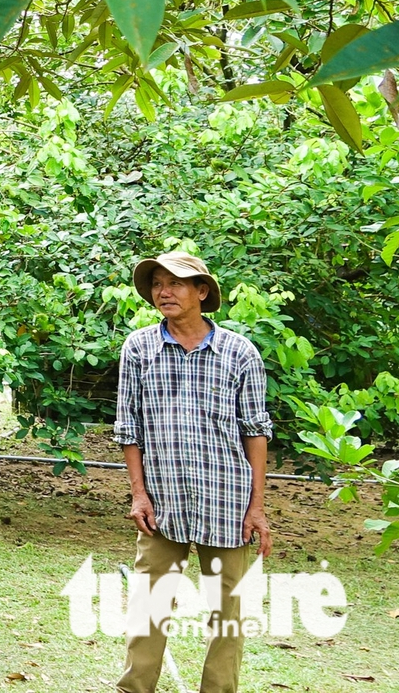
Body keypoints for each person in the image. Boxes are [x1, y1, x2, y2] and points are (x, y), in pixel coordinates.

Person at [114, 249, 273, 693]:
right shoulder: (139, 347)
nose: (163, 291)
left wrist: (257, 507)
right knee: (149, 605)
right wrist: (138, 494)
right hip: (162, 503)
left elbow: (256, 432)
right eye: (157, 283)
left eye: (176, 283)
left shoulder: (239, 353)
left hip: (227, 500)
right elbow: (129, 427)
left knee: (227, 615)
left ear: (201, 292)